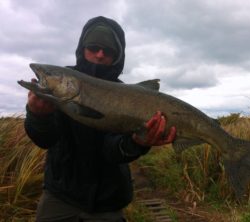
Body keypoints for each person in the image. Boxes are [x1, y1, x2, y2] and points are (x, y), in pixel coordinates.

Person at [24, 16, 176, 222]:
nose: (100, 54)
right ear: (82, 48)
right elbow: (45, 140)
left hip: (108, 202)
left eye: (109, 50)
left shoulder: (127, 96)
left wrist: (137, 143)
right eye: (93, 46)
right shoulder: (60, 94)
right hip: (60, 197)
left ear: (117, 56)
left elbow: (113, 151)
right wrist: (38, 117)